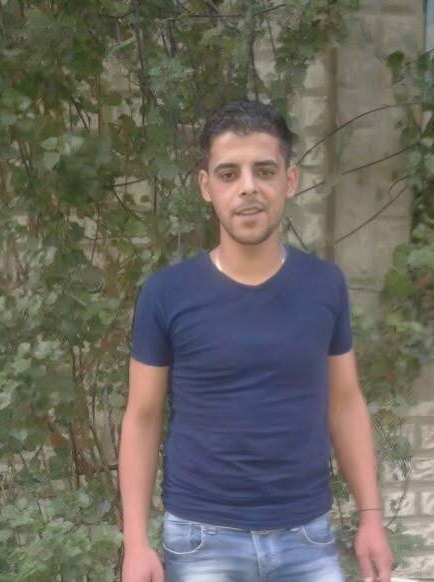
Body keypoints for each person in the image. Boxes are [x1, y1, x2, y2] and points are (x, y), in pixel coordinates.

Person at [118, 99, 393, 582]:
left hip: (306, 539)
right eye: (229, 174)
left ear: (290, 179)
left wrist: (371, 518)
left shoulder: (324, 285)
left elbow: (345, 401)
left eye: (264, 171)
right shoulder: (166, 294)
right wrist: (136, 544)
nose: (248, 187)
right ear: (206, 187)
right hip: (202, 541)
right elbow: (142, 417)